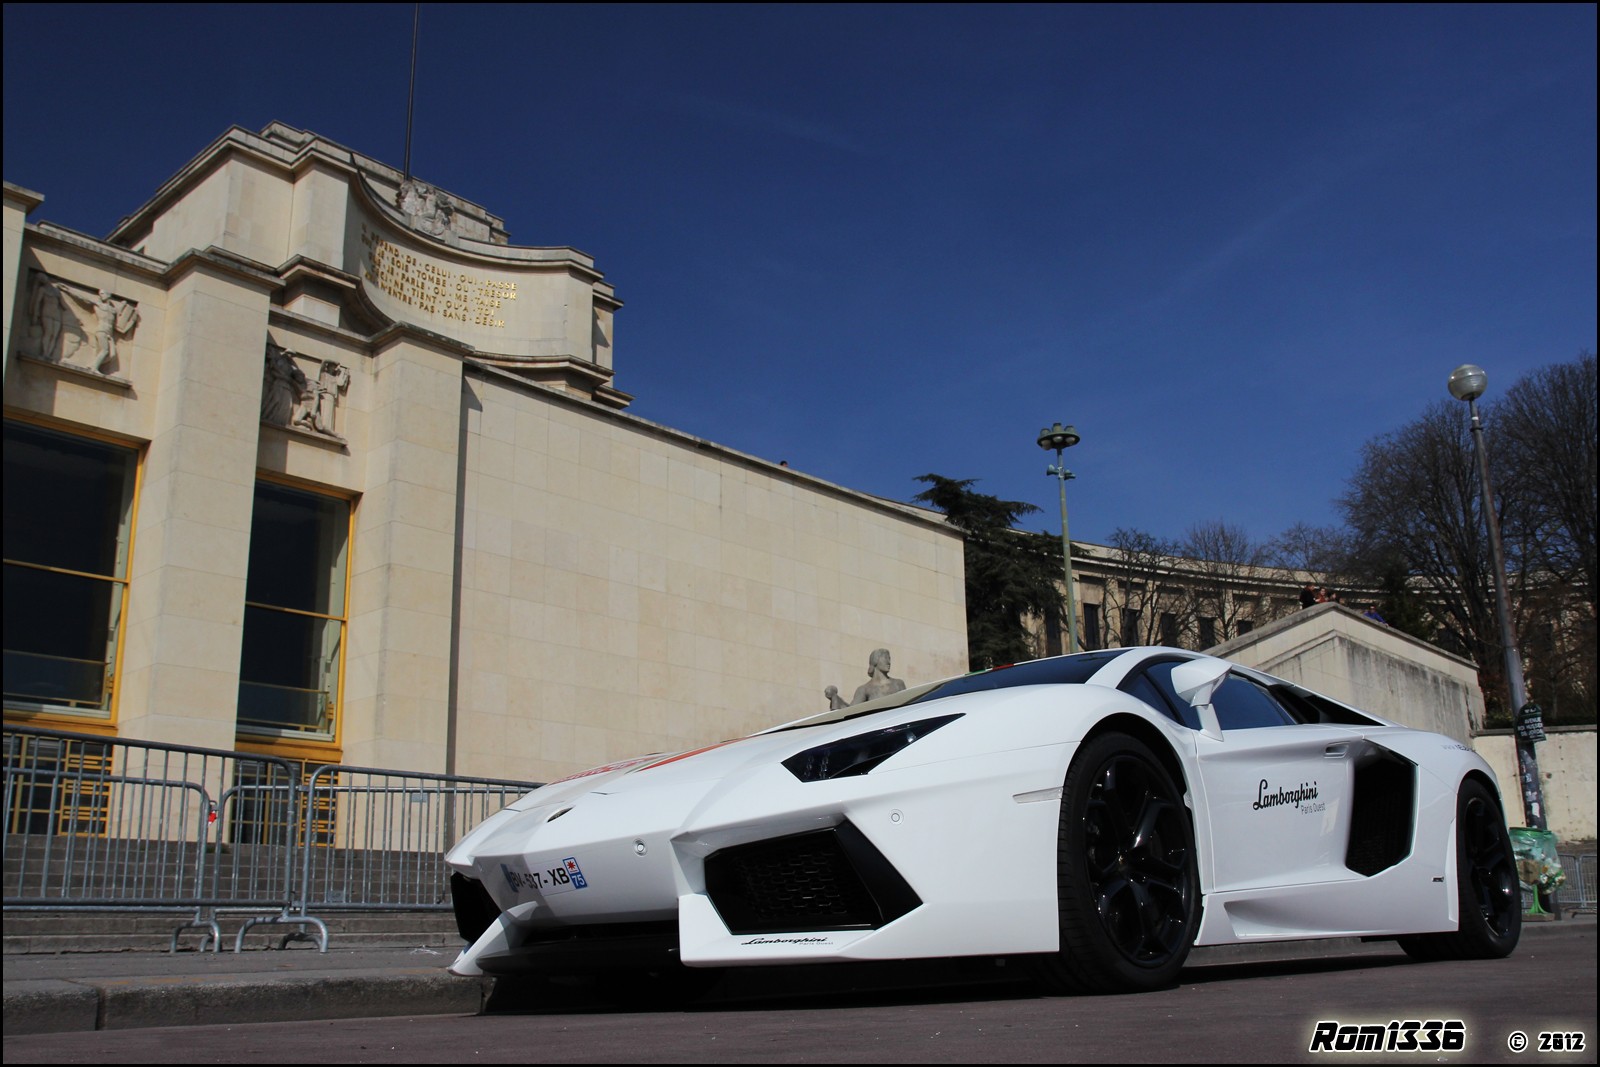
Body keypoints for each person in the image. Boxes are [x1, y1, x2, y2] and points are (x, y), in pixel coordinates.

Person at [825, 648, 906, 709]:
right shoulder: (864, 689)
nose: (889, 662)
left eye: (889, 658)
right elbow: (851, 711)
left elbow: (908, 705)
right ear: (875, 660)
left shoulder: (898, 684)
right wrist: (835, 697)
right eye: (885, 658)